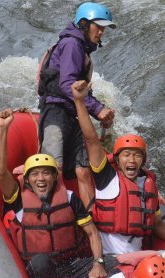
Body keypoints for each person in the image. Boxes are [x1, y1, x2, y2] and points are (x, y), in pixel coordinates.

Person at [71, 80, 165, 262]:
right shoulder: (106, 176)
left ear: (143, 160)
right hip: (111, 257)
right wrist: (80, 101)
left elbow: (156, 224)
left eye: (137, 156)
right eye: (126, 155)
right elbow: (92, 140)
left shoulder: (147, 184)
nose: (132, 160)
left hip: (138, 257)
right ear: (118, 160)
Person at [0, 108, 114, 278]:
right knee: (40, 262)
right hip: (42, 270)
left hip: (73, 265)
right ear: (27, 180)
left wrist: (98, 263)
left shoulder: (70, 198)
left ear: (54, 177)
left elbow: (92, 232)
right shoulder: (17, 198)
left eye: (46, 174)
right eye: (35, 175)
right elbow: (0, 171)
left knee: (114, 263)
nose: (41, 179)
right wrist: (3, 129)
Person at [37, 2, 116, 211]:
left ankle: (89, 216)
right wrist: (97, 110)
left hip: (74, 113)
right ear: (83, 24)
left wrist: (97, 107)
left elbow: (80, 90)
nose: (101, 32)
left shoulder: (82, 48)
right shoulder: (72, 44)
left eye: (103, 27)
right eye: (97, 26)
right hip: (56, 111)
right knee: (53, 167)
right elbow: (67, 85)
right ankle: (50, 217)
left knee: (83, 170)